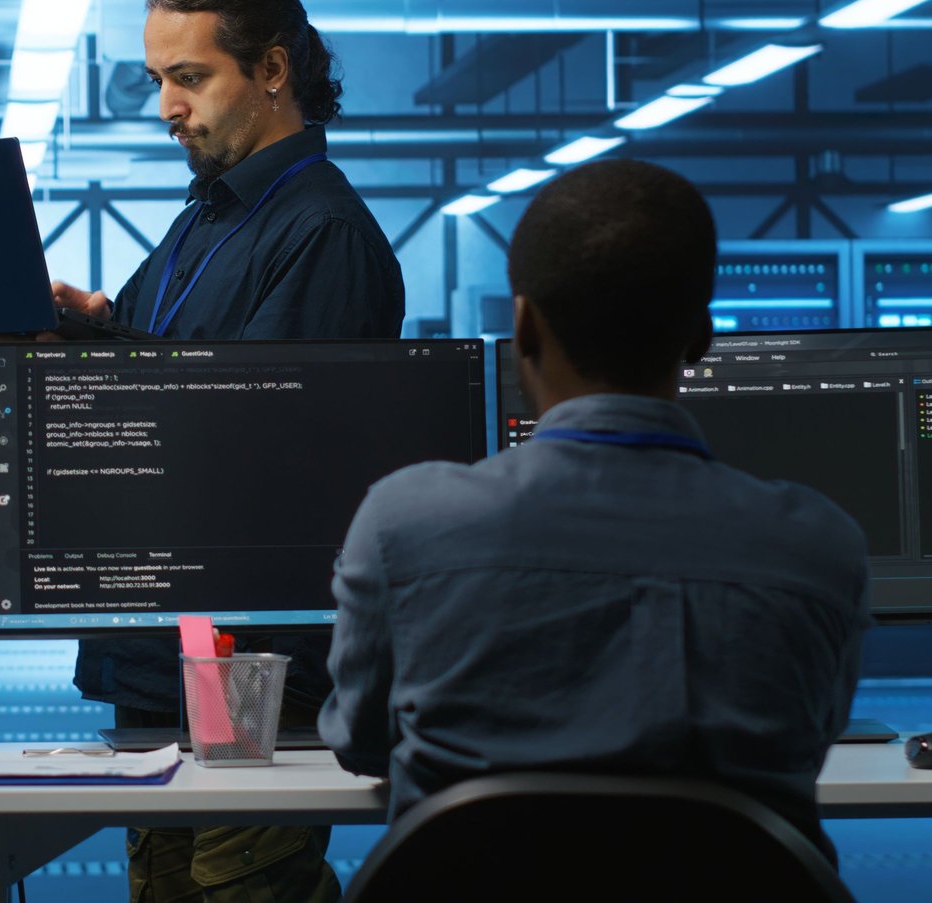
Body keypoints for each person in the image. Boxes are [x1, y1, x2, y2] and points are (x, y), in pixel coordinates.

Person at [0, 0, 403, 903]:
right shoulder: (209, 217)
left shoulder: (320, 232)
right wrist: (67, 331)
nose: (166, 106)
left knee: (236, 892)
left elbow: (248, 435)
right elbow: (164, 365)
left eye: (189, 78)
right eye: (159, 79)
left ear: (273, 71)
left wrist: (105, 357)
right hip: (169, 661)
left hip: (250, 673)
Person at [319, 159, 869, 861]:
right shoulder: (821, 549)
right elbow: (808, 743)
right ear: (700, 336)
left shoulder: (402, 525)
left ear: (523, 326)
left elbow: (364, 743)